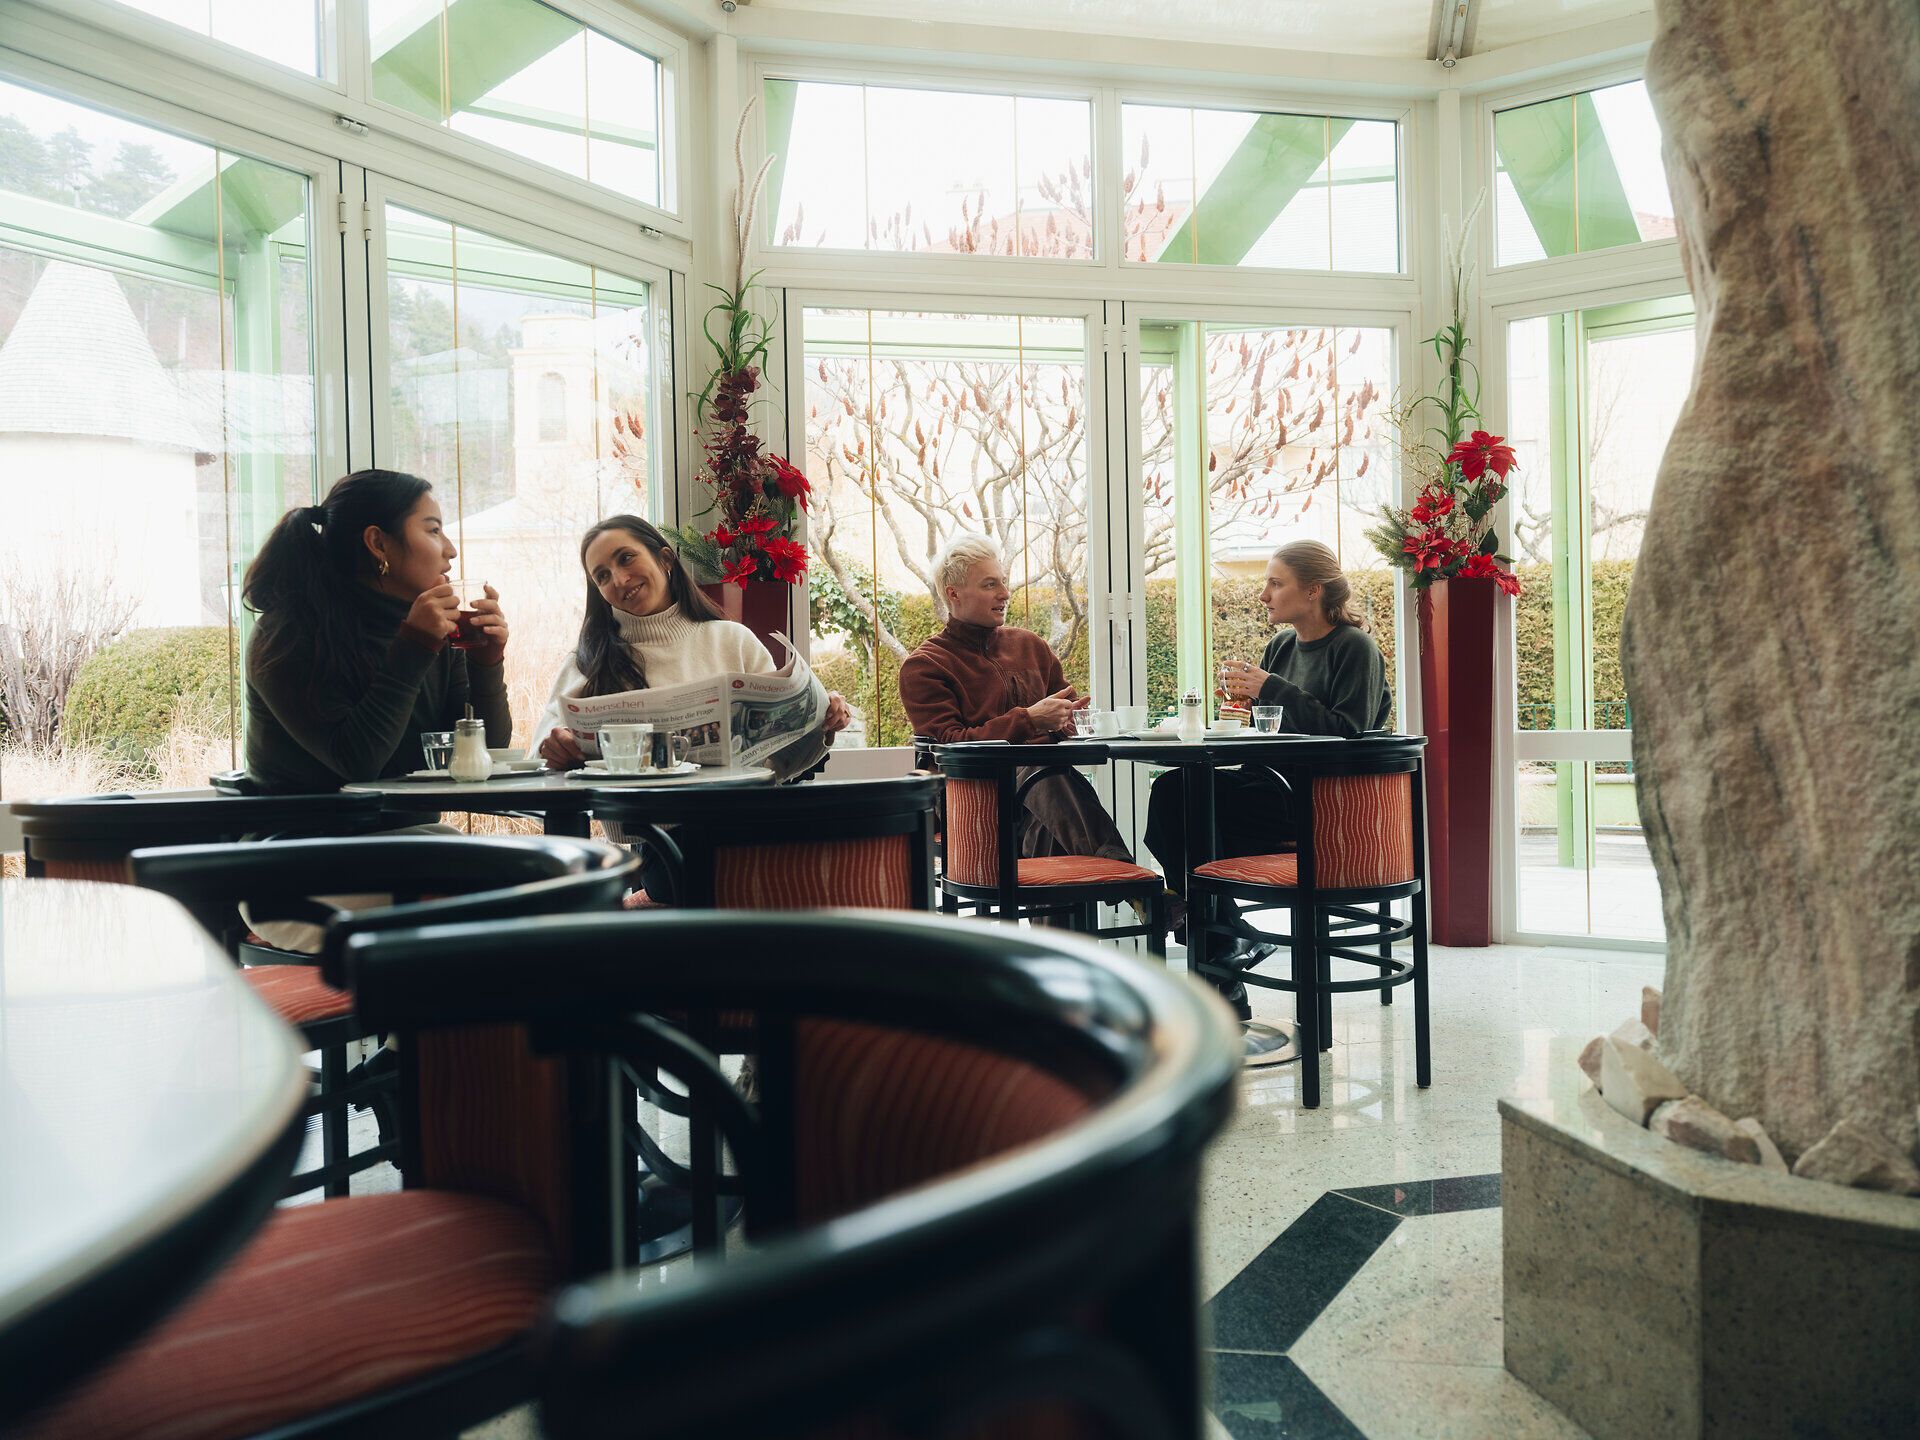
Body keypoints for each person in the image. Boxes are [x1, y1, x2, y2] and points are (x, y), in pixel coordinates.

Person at [1144, 539, 1391, 1045]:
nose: (1264, 595)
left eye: (1276, 583)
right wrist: (1241, 711)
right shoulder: (1280, 647)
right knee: (1173, 791)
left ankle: (1222, 951)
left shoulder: (1354, 648)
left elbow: (1348, 731)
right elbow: (1269, 730)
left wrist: (1271, 689)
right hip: (1269, 786)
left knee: (1193, 812)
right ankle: (1226, 943)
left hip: (1319, 802)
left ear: (1314, 590)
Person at [244, 468, 511, 792]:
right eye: (434, 530)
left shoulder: (433, 630)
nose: (451, 549)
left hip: (409, 823)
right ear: (378, 543)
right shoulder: (287, 634)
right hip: (305, 824)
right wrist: (415, 646)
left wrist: (486, 665)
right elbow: (357, 763)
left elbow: (486, 754)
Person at [529, 514, 850, 767]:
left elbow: (780, 761)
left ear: (665, 560)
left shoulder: (733, 640)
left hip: (743, 819)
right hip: (641, 826)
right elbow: (538, 754)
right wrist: (554, 747)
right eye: (602, 576)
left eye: (626, 558)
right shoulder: (587, 661)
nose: (620, 579)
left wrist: (823, 720)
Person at [898, 533, 1133, 866]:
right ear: (954, 594)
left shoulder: (1031, 646)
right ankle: (1122, 872)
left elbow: (1068, 713)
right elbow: (951, 744)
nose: (1005, 593)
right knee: (1041, 773)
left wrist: (1067, 724)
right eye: (990, 584)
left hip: (1043, 796)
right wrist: (1030, 720)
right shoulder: (925, 665)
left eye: (1004, 582)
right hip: (971, 797)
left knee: (1044, 812)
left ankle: (1117, 877)